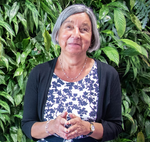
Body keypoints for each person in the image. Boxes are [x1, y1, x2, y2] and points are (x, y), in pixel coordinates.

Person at [21, 4, 122, 142]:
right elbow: (28, 125)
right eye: (69, 27)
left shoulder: (108, 75)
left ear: (92, 37)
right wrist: (51, 126)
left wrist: (88, 128)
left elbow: (115, 127)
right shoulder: (39, 73)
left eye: (84, 29)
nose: (76, 34)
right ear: (57, 33)